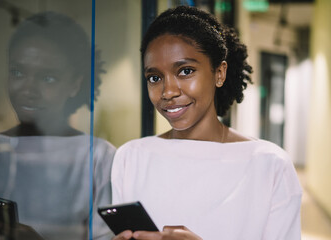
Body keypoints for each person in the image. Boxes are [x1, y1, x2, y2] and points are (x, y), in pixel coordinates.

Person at [111, 6, 302, 240]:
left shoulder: (269, 164)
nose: (168, 91)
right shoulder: (131, 157)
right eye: (154, 77)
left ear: (219, 73)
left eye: (185, 71)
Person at [0, 12, 115, 240]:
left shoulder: (98, 156)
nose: (28, 89)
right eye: (17, 72)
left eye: (48, 78)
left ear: (75, 84)